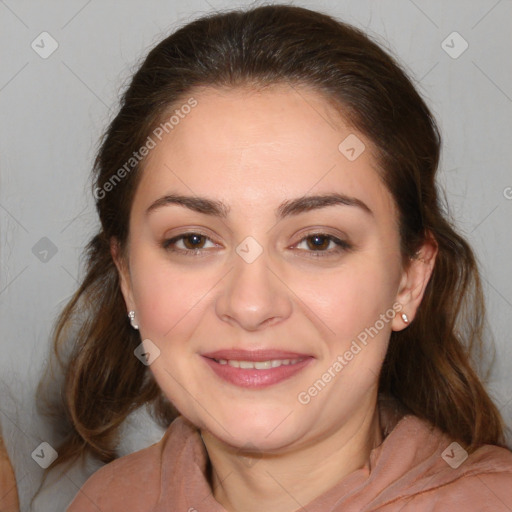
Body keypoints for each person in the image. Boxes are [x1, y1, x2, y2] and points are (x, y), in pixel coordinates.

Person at [42, 4, 511, 511]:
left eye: (318, 241)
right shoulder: (107, 501)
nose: (250, 305)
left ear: (409, 281)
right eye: (193, 240)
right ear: (127, 276)